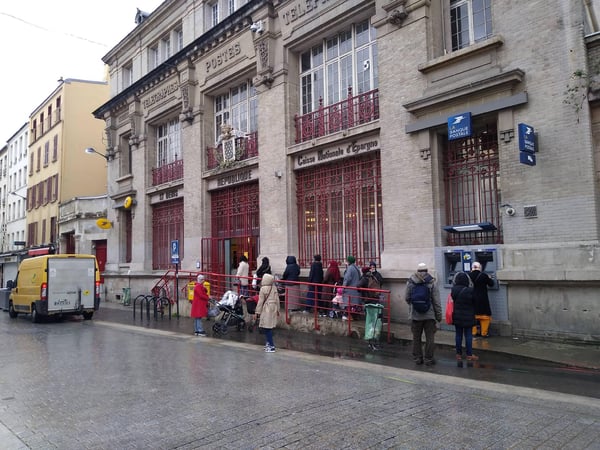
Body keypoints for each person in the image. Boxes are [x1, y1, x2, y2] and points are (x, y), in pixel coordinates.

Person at [405, 263, 441, 366]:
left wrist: (414, 306)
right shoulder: (432, 282)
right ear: (427, 270)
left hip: (415, 316)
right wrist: (438, 316)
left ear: (417, 270)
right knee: (430, 338)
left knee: (416, 338)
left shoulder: (410, 282)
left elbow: (407, 298)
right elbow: (436, 301)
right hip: (429, 315)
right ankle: (428, 359)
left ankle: (417, 358)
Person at [452, 272, 478, 361]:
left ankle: (458, 354)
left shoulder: (454, 290)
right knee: (468, 335)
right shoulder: (470, 290)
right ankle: (469, 355)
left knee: (458, 335)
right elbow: (475, 302)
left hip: (457, 315)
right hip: (468, 316)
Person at [254, 273, 280, 352]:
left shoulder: (263, 289)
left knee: (267, 327)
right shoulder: (274, 287)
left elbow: (260, 301)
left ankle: (271, 346)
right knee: (269, 326)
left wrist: (257, 312)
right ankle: (268, 343)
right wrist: (278, 310)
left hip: (267, 308)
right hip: (274, 307)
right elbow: (277, 300)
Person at [469, 261, 495, 337]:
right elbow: (491, 284)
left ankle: (473, 332)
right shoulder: (484, 275)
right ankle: (484, 333)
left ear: (472, 268)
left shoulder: (468, 276)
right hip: (483, 298)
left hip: (472, 298)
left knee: (472, 316)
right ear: (480, 268)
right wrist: (489, 278)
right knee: (485, 316)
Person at [342, 255, 362, 321]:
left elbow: (347, 279)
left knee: (349, 303)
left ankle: (350, 316)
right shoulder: (356, 267)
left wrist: (343, 287)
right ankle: (355, 316)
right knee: (355, 303)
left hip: (350, 289)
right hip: (355, 289)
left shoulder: (350, 268)